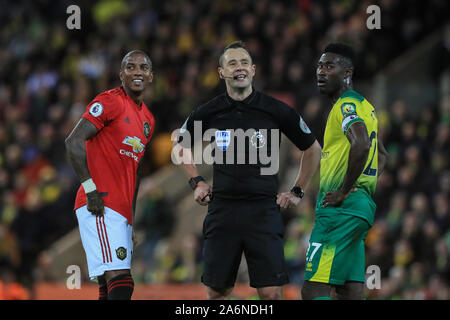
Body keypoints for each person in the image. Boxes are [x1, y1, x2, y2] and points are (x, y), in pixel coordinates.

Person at [174, 41, 322, 300]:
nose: (239, 67)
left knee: (270, 292)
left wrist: (297, 190)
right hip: (223, 210)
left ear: (253, 70)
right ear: (222, 72)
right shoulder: (209, 111)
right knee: (217, 292)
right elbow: (180, 146)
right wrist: (197, 182)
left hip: (263, 211)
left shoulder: (275, 109)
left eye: (244, 62)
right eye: (232, 63)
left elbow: (312, 149)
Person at [65, 50, 155, 300]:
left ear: (151, 76)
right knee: (122, 281)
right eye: (130, 66)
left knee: (109, 286)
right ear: (121, 74)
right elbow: (73, 142)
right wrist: (91, 189)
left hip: (121, 212)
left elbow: (134, 174)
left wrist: (131, 220)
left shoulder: (148, 120)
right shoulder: (109, 101)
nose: (137, 71)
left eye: (143, 67)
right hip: (100, 203)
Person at [301, 43, 388, 300]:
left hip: (340, 212)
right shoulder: (366, 106)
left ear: (347, 72)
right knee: (349, 291)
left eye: (330, 66)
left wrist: (344, 190)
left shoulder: (345, 106)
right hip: (359, 210)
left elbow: (361, 144)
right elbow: (381, 155)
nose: (321, 71)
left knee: (313, 288)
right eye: (320, 65)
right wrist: (362, 187)